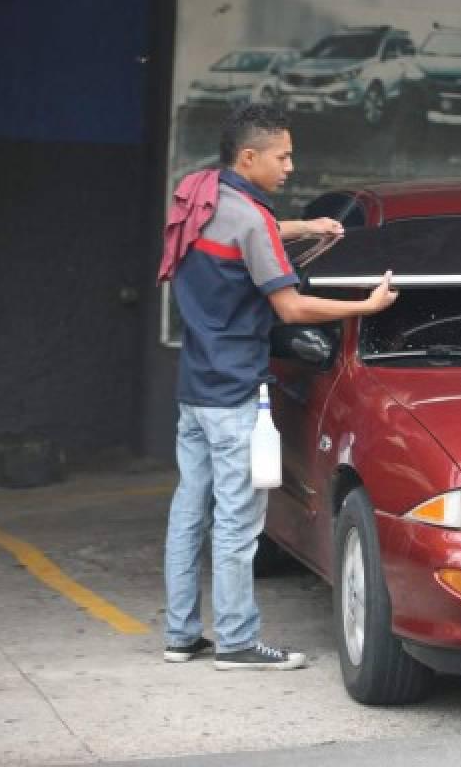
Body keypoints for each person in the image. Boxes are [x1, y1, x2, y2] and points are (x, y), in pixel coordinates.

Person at [162, 103, 399, 670]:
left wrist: (308, 227)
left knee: (188, 512)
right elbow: (289, 306)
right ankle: (239, 643)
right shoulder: (249, 219)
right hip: (232, 390)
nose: (290, 166)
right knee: (240, 521)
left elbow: (255, 232)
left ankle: (181, 635)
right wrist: (362, 305)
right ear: (250, 157)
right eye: (282, 155)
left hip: (196, 387)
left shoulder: (203, 194)